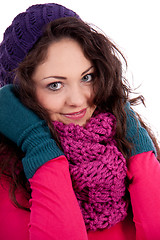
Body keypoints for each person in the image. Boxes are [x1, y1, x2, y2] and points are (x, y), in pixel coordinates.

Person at [0, 3, 160, 240]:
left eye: (87, 77)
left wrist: (134, 135)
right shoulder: (7, 178)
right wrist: (39, 146)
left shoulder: (124, 147)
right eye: (55, 85)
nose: (78, 100)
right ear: (18, 94)